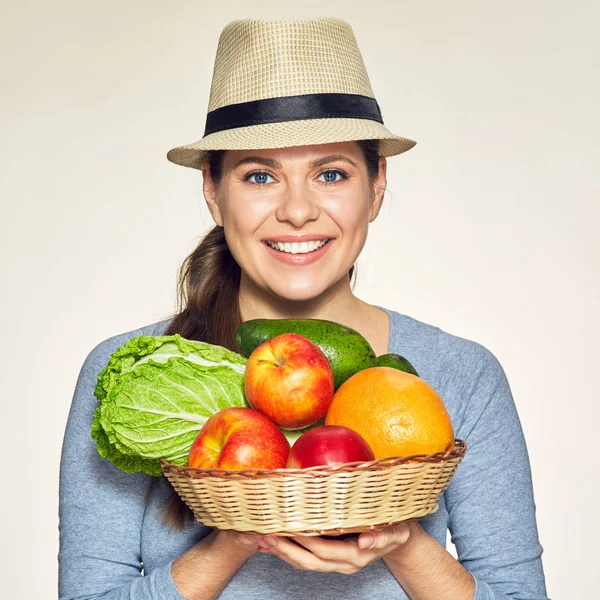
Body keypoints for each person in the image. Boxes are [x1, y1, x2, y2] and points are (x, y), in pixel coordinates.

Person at [58, 17, 548, 600]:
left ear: (377, 185)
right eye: (260, 175)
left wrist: (404, 540)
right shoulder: (142, 380)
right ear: (213, 192)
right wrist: (236, 537)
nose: (297, 211)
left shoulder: (463, 376)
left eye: (331, 173)